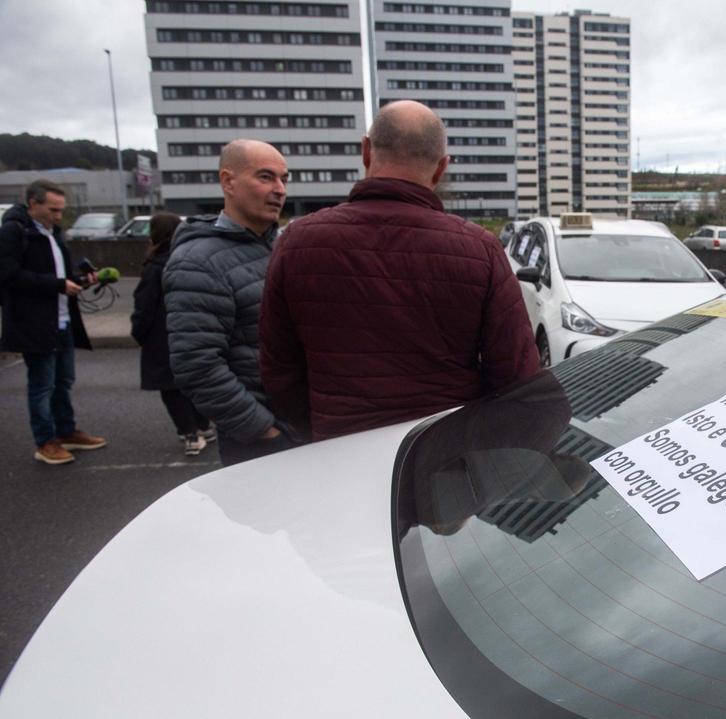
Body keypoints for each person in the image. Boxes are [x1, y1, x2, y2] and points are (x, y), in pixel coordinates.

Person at [259, 100, 539, 442]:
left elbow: (278, 369)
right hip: (440, 451)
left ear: (366, 151)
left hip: (338, 446)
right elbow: (515, 373)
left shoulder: (298, 241)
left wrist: (317, 425)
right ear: (441, 168)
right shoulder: (479, 249)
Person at [163, 139, 294, 466]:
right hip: (262, 441)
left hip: (296, 428)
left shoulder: (280, 248)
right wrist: (264, 432)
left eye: (284, 179)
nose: (279, 189)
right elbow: (197, 366)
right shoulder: (197, 262)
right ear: (228, 181)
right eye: (265, 177)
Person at [0, 179, 106, 465]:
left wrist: (79, 278)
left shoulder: (52, 232)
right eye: (53, 209)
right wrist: (57, 284)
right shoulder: (14, 231)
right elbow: (8, 275)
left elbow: (59, 271)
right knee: (42, 385)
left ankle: (66, 431)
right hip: (34, 322)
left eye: (61, 210)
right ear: (33, 204)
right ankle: (45, 441)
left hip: (61, 319)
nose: (58, 216)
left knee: (63, 381)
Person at [130, 212, 213, 457]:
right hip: (191, 331)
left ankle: (190, 434)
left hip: (161, 336)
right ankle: (203, 425)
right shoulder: (191, 259)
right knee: (190, 382)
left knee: (170, 388)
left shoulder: (155, 266)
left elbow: (144, 305)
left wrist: (139, 332)